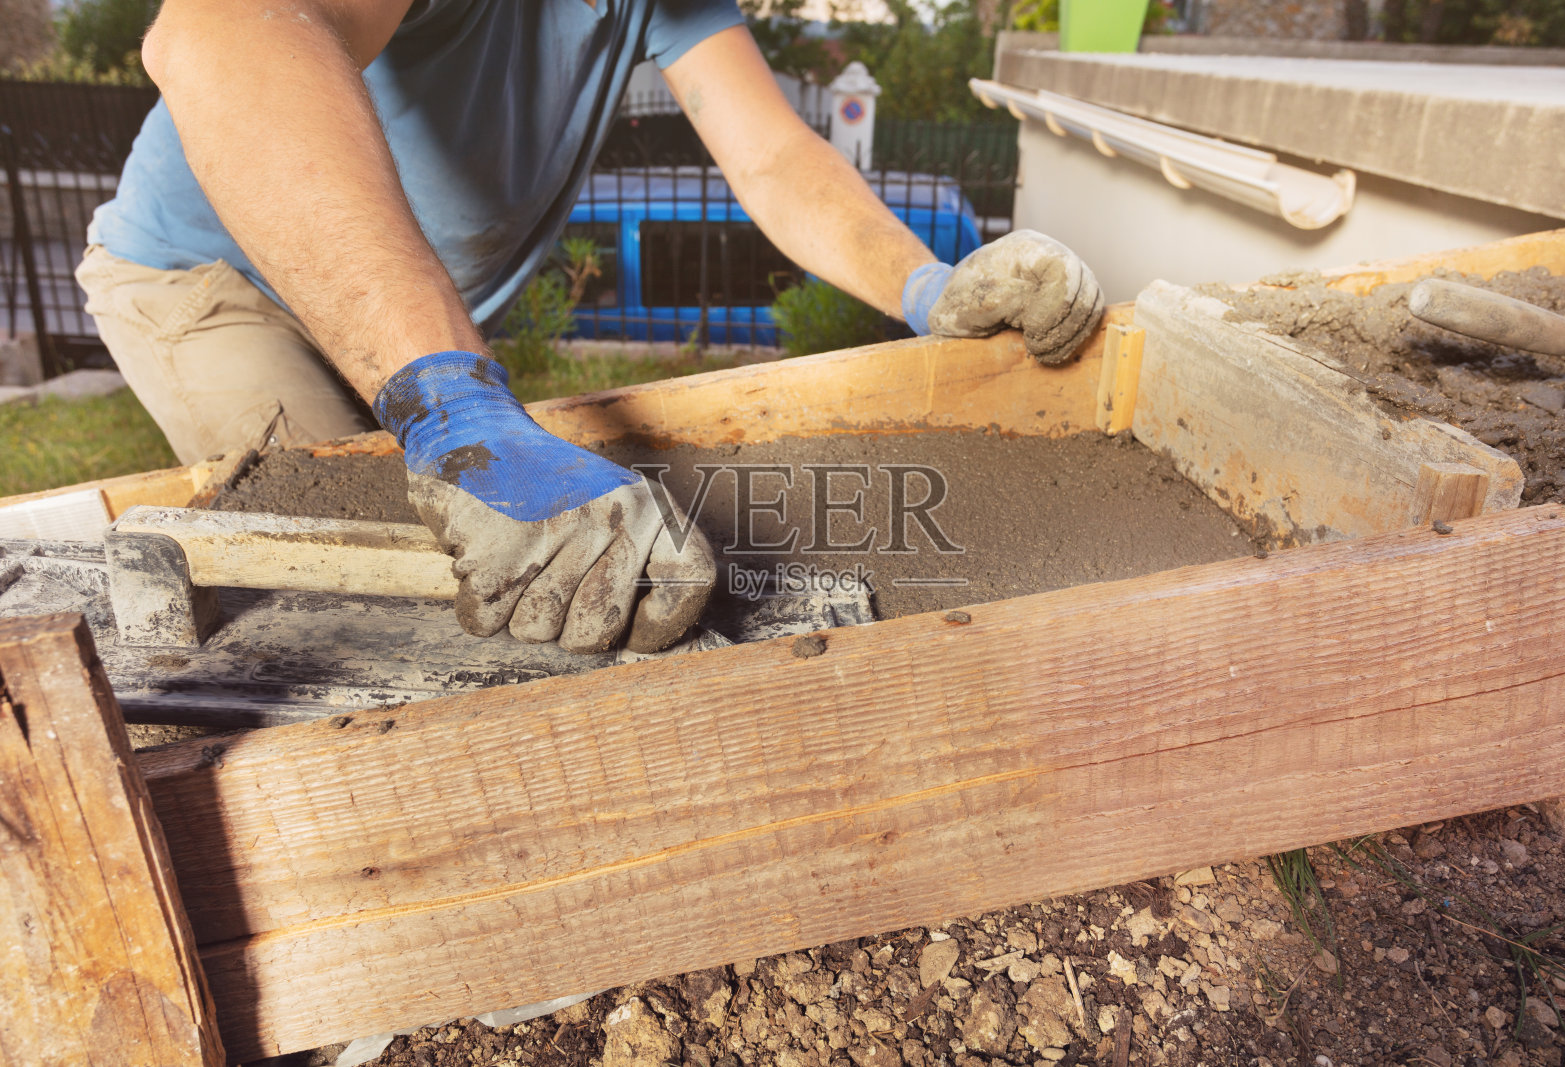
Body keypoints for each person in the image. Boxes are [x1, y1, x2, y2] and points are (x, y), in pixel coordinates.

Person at [78, 0, 1104, 656]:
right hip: (212, 282)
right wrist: (451, 400)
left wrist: (927, 285)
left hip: (401, 309)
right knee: (411, 608)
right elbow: (220, 31)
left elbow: (774, 160)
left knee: (494, 566)